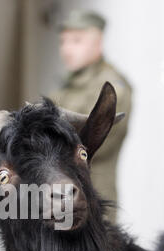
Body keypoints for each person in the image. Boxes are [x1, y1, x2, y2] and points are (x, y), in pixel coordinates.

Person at [51, 9, 132, 222]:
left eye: (76, 41)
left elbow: (96, 144)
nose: (66, 49)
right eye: (63, 42)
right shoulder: (69, 86)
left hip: (94, 203)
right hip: (62, 199)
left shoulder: (112, 89)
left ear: (98, 43)